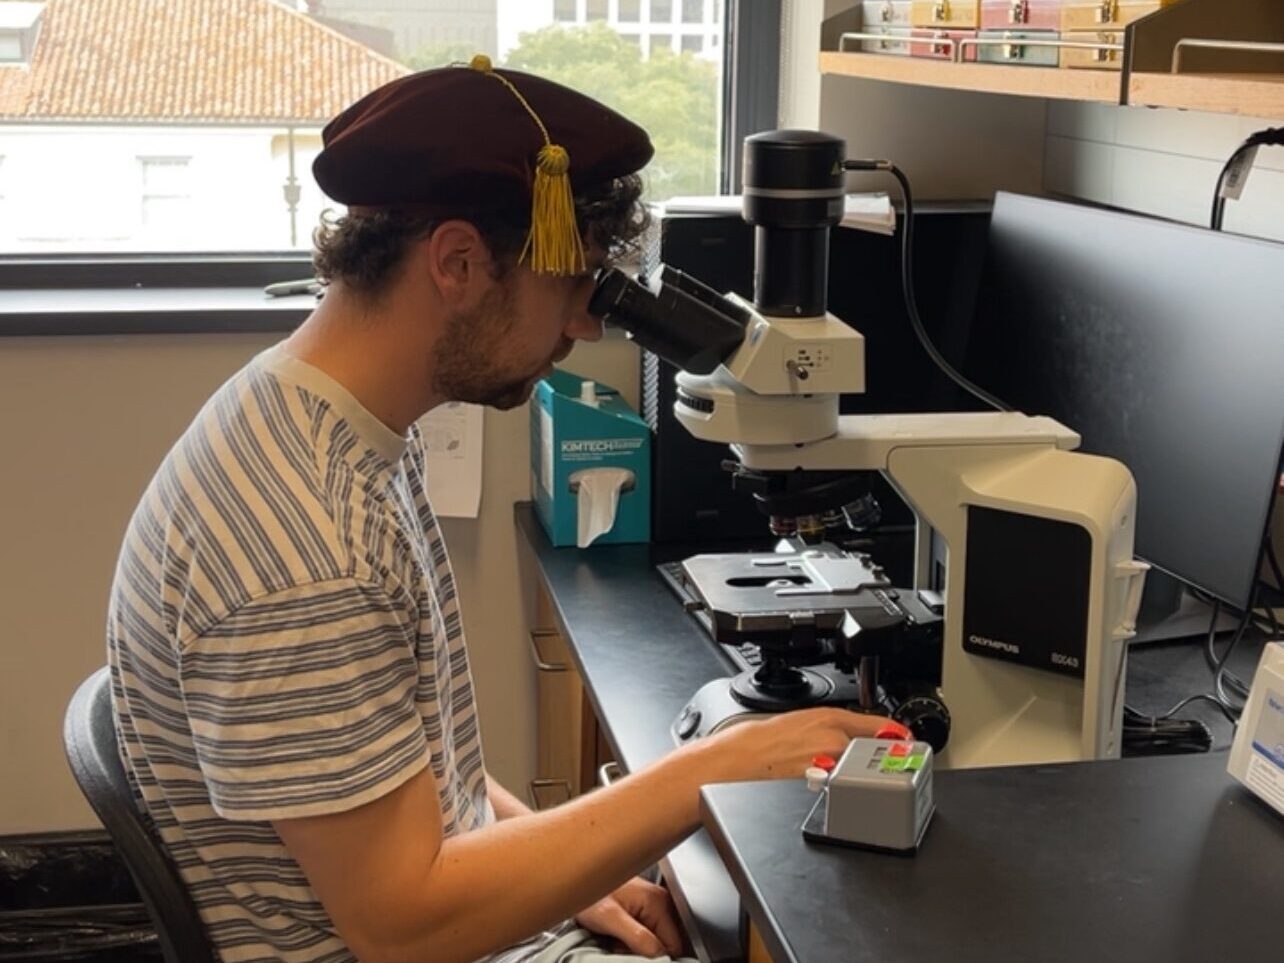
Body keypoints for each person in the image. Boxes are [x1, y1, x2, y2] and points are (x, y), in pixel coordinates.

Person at [107, 58, 892, 963]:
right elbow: (405, 927)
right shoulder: (307, 546)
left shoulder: (321, 422)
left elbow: (408, 768)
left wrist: (577, 869)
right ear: (459, 263)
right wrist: (711, 771)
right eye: (573, 286)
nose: (586, 327)